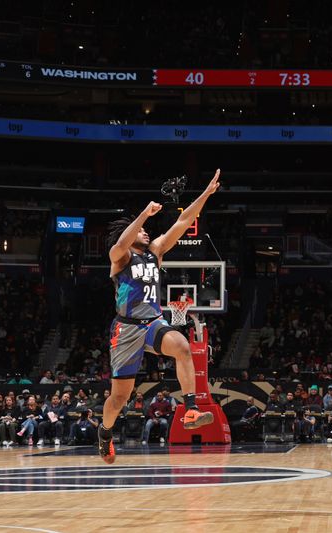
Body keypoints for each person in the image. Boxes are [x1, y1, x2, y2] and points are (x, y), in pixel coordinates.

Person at [99, 169, 221, 463]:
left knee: (182, 346)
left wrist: (205, 195)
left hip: (153, 322)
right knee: (119, 399)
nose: (146, 232)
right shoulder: (119, 258)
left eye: (145, 229)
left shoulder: (155, 252)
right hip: (126, 330)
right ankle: (104, 432)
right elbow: (121, 243)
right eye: (141, 230)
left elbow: (183, 221)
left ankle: (191, 408)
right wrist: (142, 215)